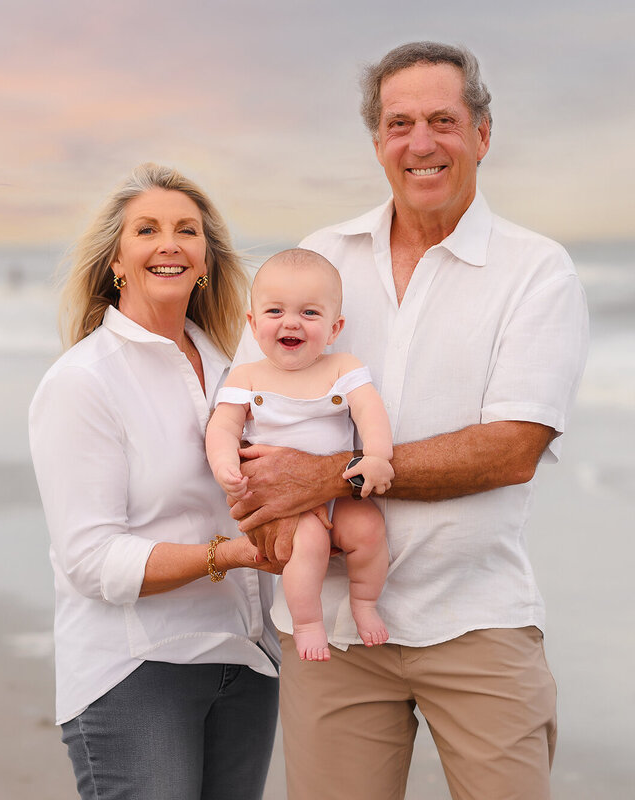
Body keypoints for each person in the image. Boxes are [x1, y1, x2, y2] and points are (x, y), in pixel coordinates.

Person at [228, 43, 590, 800]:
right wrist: (260, 509)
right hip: (330, 630)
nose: (420, 143)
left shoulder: (536, 270)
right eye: (399, 123)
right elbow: (245, 405)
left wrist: (325, 479)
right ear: (377, 142)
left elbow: (512, 448)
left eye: (442, 121)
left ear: (482, 135)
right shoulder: (319, 259)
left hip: (477, 621)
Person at [28, 162, 281, 800]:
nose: (169, 243)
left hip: (247, 666)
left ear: (206, 260)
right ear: (116, 259)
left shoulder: (242, 374)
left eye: (186, 230)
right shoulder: (84, 382)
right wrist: (227, 556)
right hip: (137, 671)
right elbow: (91, 560)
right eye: (147, 229)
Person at [206, 248, 394, 662]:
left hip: (340, 492)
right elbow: (222, 426)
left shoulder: (342, 366)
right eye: (275, 311)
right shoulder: (247, 376)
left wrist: (378, 456)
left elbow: (369, 410)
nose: (291, 322)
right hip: (288, 504)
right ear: (254, 325)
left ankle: (365, 602)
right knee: (306, 546)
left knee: (369, 531)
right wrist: (224, 464)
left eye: (309, 313)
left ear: (333, 328)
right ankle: (308, 622)